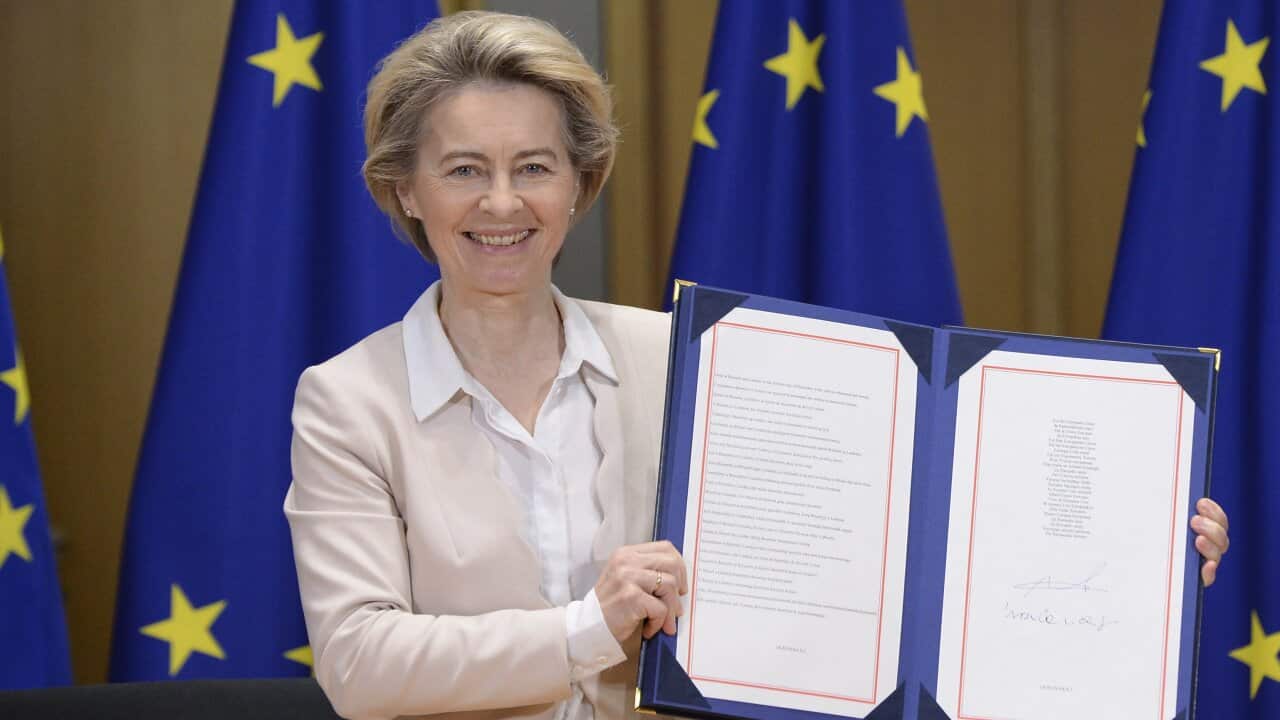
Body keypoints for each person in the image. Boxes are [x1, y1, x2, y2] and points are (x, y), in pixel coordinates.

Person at [284, 10, 1230, 720]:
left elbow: (876, 547)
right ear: (405, 189)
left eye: (534, 166)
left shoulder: (690, 356)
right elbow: (361, 664)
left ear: (579, 184)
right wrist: (588, 627)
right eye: (463, 170)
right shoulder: (347, 402)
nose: (502, 203)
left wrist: (1129, 559)